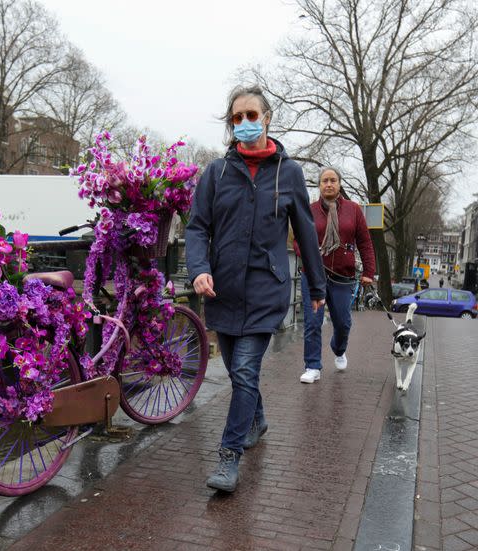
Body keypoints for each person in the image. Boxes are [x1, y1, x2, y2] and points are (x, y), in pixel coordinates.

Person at [185, 85, 326, 493]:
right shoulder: (216, 172)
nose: (244, 123)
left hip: (267, 291)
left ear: (267, 117)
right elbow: (197, 228)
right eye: (236, 117)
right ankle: (257, 419)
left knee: (245, 370)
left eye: (251, 115)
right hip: (223, 291)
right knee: (237, 372)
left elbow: (304, 232)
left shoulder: (289, 172)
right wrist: (199, 269)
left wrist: (316, 286)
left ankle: (229, 458)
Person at [297, 167, 375, 384]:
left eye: (333, 180)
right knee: (312, 322)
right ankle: (312, 366)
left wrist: (369, 272)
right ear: (319, 186)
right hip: (314, 276)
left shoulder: (353, 210)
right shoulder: (308, 210)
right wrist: (306, 253)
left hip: (343, 276)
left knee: (343, 322)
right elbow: (298, 239)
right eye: (324, 181)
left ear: (339, 184)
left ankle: (338, 348)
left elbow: (365, 242)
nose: (328, 184)